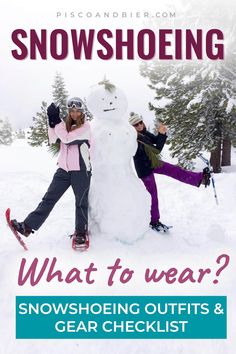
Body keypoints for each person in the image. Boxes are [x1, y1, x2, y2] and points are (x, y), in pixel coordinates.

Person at [11, 97, 92, 247]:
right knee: (48, 199)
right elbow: (53, 139)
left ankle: (81, 233)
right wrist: (52, 121)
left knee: (81, 203)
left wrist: (57, 122)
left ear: (82, 112)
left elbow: (67, 139)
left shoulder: (86, 128)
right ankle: (27, 227)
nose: (74, 114)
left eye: (77, 111)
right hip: (63, 170)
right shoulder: (65, 126)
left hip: (81, 171)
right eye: (72, 111)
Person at [128, 113, 211, 232]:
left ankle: (200, 178)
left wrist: (161, 133)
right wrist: (161, 134)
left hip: (153, 162)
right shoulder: (136, 138)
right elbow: (157, 149)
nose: (140, 125)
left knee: (175, 170)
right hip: (144, 169)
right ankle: (154, 221)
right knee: (153, 195)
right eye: (136, 124)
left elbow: (157, 142)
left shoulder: (145, 133)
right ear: (132, 128)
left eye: (140, 122)